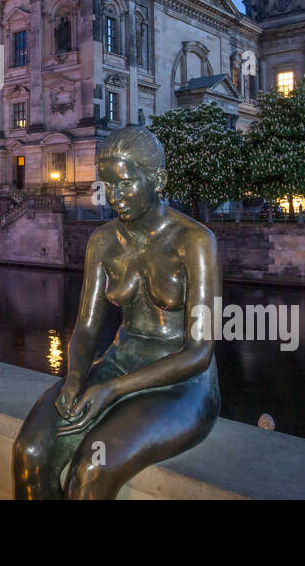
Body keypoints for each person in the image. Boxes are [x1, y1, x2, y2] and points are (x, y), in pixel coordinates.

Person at [13, 126, 221, 499]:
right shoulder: (104, 241)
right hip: (120, 363)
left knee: (92, 470)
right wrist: (75, 378)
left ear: (157, 179)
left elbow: (200, 351)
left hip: (183, 383)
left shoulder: (195, 241)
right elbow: (87, 329)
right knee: (29, 452)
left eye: (125, 184)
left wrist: (111, 390)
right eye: (108, 186)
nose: (115, 197)